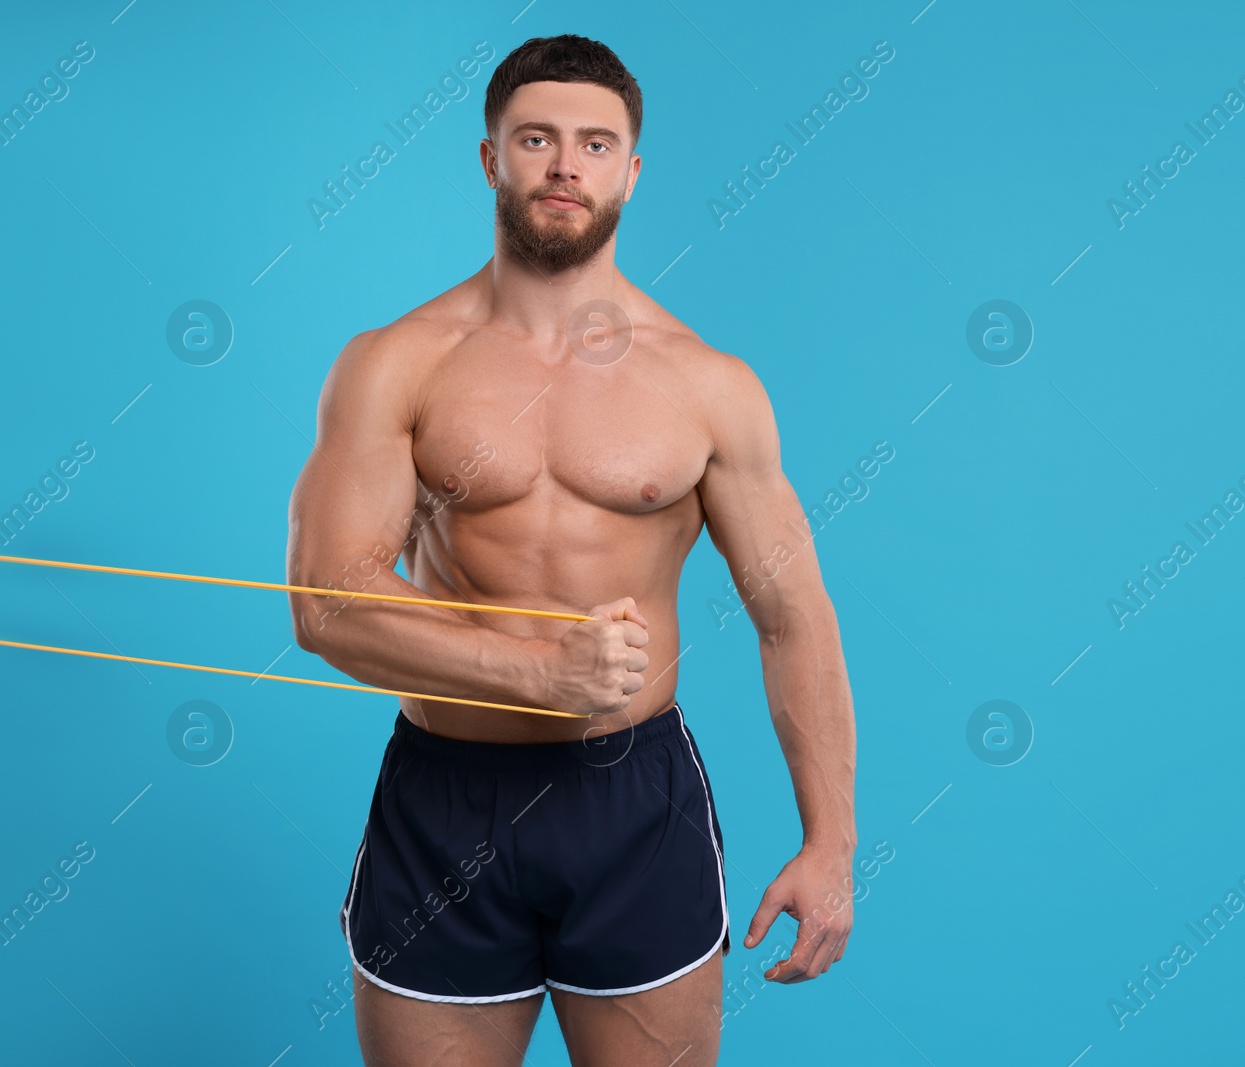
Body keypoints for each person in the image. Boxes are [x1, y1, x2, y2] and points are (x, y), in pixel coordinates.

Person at [284, 33, 857, 1067]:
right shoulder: (392, 365)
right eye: (536, 137)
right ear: (490, 157)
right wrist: (538, 670)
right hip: (443, 797)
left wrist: (831, 846)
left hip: (633, 801)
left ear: (630, 172)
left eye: (595, 144)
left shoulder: (708, 384)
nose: (564, 165)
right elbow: (327, 602)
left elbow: (792, 616)